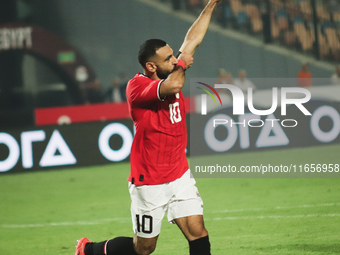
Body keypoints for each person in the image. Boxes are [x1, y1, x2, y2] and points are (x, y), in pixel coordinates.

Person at [75, 1, 222, 255]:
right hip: (149, 180)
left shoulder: (170, 70)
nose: (174, 59)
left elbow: (193, 38)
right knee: (143, 248)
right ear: (151, 66)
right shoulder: (137, 87)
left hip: (178, 173)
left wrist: (211, 4)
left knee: (198, 232)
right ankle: (88, 250)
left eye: (173, 55)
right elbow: (174, 85)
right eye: (168, 59)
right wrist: (183, 63)